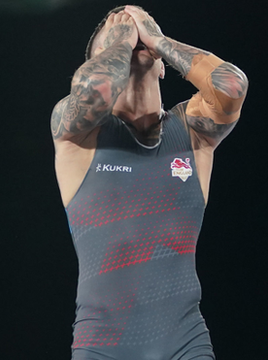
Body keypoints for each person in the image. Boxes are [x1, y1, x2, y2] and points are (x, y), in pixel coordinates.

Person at [50, 5, 247, 360]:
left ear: (163, 66)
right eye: (118, 41)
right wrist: (125, 41)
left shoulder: (192, 133)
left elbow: (231, 87)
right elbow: (94, 89)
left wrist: (157, 40)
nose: (131, 34)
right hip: (103, 347)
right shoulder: (81, 135)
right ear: (105, 61)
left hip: (186, 344)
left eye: (140, 33)